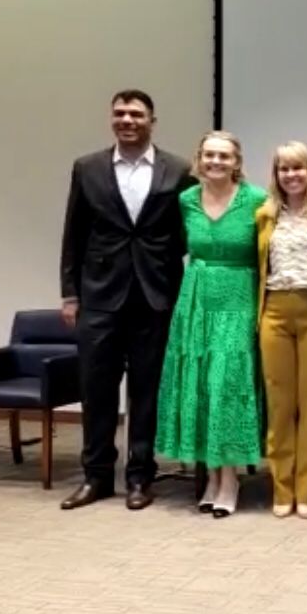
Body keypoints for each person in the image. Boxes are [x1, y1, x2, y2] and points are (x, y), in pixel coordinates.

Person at [59, 90, 192, 511]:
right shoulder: (88, 167)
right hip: (99, 296)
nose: (127, 120)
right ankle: (96, 477)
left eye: (136, 114)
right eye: (120, 113)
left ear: (152, 120)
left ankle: (139, 478)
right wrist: (69, 293)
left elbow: (185, 234)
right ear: (111, 119)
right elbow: (74, 232)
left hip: (156, 295)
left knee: (147, 391)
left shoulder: (179, 170)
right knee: (96, 389)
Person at [155, 131, 265, 517]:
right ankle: (213, 477)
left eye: (224, 156)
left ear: (237, 162)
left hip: (238, 299)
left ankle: (230, 478)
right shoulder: (186, 200)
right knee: (200, 385)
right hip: (196, 300)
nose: (216, 161)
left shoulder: (257, 199)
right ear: (199, 159)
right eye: (209, 155)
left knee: (226, 385)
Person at [256, 141, 307, 519]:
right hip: (273, 311)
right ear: (276, 175)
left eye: (297, 167)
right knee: (279, 405)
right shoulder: (264, 215)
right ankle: (282, 487)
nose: (291, 175)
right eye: (283, 169)